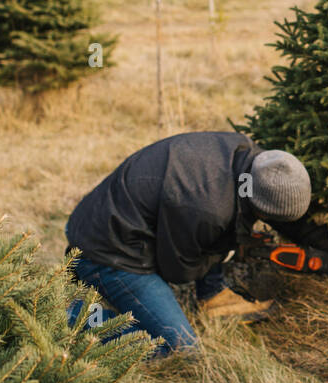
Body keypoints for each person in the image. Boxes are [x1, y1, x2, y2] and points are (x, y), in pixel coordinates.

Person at [65, 131, 314, 360]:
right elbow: (178, 270)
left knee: (218, 231)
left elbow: (230, 213)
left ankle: (212, 295)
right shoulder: (206, 208)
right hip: (109, 251)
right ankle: (72, 316)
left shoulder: (255, 160)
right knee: (178, 348)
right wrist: (226, 252)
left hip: (111, 218)